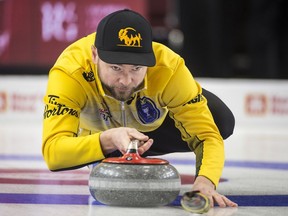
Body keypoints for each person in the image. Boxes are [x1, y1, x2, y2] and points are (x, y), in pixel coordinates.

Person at [42, 9, 237, 208]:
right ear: (94, 54)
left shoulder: (169, 67)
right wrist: (107, 139)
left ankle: (116, 151)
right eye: (116, 68)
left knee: (220, 118)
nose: (126, 81)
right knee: (83, 148)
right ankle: (108, 151)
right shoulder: (70, 71)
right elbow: (53, 152)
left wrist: (206, 181)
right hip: (97, 133)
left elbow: (207, 135)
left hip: (151, 132)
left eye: (136, 69)